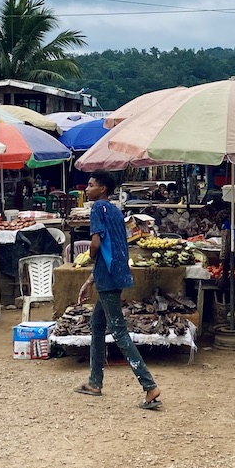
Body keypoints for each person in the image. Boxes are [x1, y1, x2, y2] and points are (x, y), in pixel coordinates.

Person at [74, 171, 162, 410]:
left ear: (102, 188)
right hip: (117, 274)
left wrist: (89, 258)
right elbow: (114, 248)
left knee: (119, 331)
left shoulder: (97, 208)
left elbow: (96, 244)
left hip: (108, 278)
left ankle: (149, 386)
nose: (87, 189)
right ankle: (94, 382)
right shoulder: (115, 211)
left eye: (91, 185)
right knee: (97, 325)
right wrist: (90, 281)